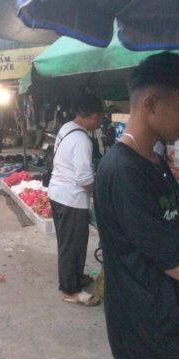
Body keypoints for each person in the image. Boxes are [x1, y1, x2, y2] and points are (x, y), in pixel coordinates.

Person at [95, 53, 179, 359]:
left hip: (171, 320)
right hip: (148, 332)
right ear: (150, 104)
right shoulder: (124, 171)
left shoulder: (154, 161)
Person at [48, 94, 104, 307]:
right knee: (72, 246)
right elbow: (84, 178)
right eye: (101, 118)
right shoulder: (82, 140)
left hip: (58, 194)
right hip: (71, 199)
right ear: (95, 116)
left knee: (68, 243)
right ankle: (70, 290)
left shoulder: (67, 128)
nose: (100, 123)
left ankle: (75, 278)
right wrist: (97, 196)